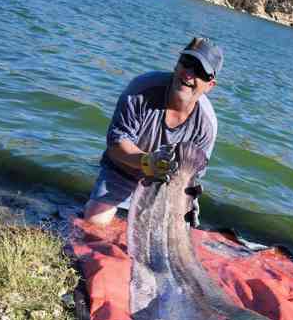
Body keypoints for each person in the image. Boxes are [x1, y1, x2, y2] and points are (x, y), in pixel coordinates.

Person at [83, 36, 223, 227]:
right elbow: (116, 143)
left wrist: (185, 205)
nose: (189, 74)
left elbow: (192, 174)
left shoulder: (207, 124)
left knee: (175, 232)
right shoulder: (140, 90)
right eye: (187, 63)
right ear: (177, 64)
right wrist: (148, 162)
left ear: (210, 85)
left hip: (164, 186)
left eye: (200, 71)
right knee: (94, 222)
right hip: (122, 169)